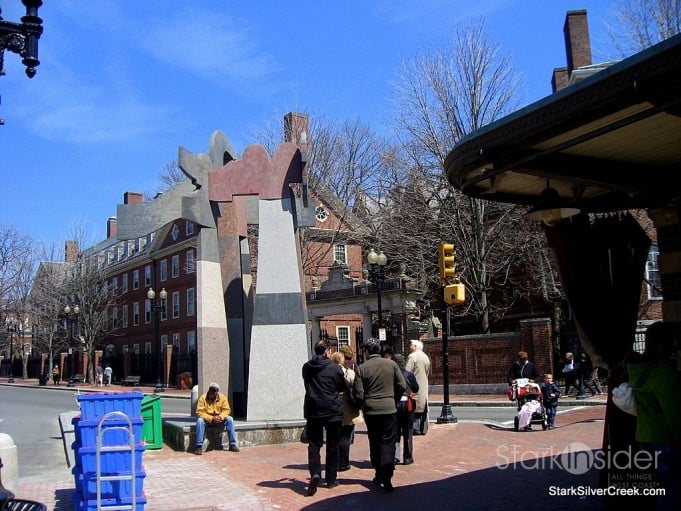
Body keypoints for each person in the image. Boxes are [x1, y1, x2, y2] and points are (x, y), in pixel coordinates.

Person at [628, 321, 681, 511]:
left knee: (659, 485)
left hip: (645, 434)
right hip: (665, 436)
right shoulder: (664, 372)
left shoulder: (639, 369)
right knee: (671, 487)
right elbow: (674, 410)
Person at [353, 338, 406, 493]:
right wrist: (393, 399)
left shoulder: (362, 368)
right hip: (389, 409)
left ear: (368, 352)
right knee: (388, 443)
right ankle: (387, 476)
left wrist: (364, 403)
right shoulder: (391, 364)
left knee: (374, 442)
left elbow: (359, 393)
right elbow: (402, 385)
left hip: (371, 410)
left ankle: (378, 473)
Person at [302, 339, 347, 496]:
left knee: (314, 445)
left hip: (313, 409)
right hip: (332, 410)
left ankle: (315, 473)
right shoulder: (334, 368)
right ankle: (331, 479)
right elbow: (343, 386)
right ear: (328, 351)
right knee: (332, 445)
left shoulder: (307, 367)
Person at [330, 348, 363, 472]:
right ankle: (343, 463)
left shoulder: (329, 371)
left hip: (333, 407)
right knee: (345, 437)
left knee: (335, 437)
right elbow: (357, 387)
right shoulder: (349, 373)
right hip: (347, 407)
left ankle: (335, 461)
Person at [193, 382, 239, 455]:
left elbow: (227, 410)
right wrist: (211, 418)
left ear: (217, 392)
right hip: (208, 421)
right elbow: (199, 412)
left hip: (219, 420)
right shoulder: (203, 398)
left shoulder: (223, 398)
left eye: (214, 391)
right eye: (211, 390)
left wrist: (220, 416)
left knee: (230, 419)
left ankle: (232, 444)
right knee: (199, 421)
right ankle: (199, 446)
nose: (212, 393)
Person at [393, 353, 418, 465]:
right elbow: (416, 388)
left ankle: (396, 456)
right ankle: (407, 457)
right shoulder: (409, 375)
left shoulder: (391, 375)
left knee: (395, 432)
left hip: (395, 405)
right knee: (408, 431)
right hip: (407, 405)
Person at [406, 339, 430, 436]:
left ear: (415, 346)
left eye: (411, 345)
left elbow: (407, 371)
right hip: (424, 384)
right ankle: (423, 428)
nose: (409, 346)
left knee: (414, 406)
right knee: (423, 406)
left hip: (414, 384)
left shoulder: (412, 357)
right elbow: (427, 371)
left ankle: (415, 428)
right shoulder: (425, 357)